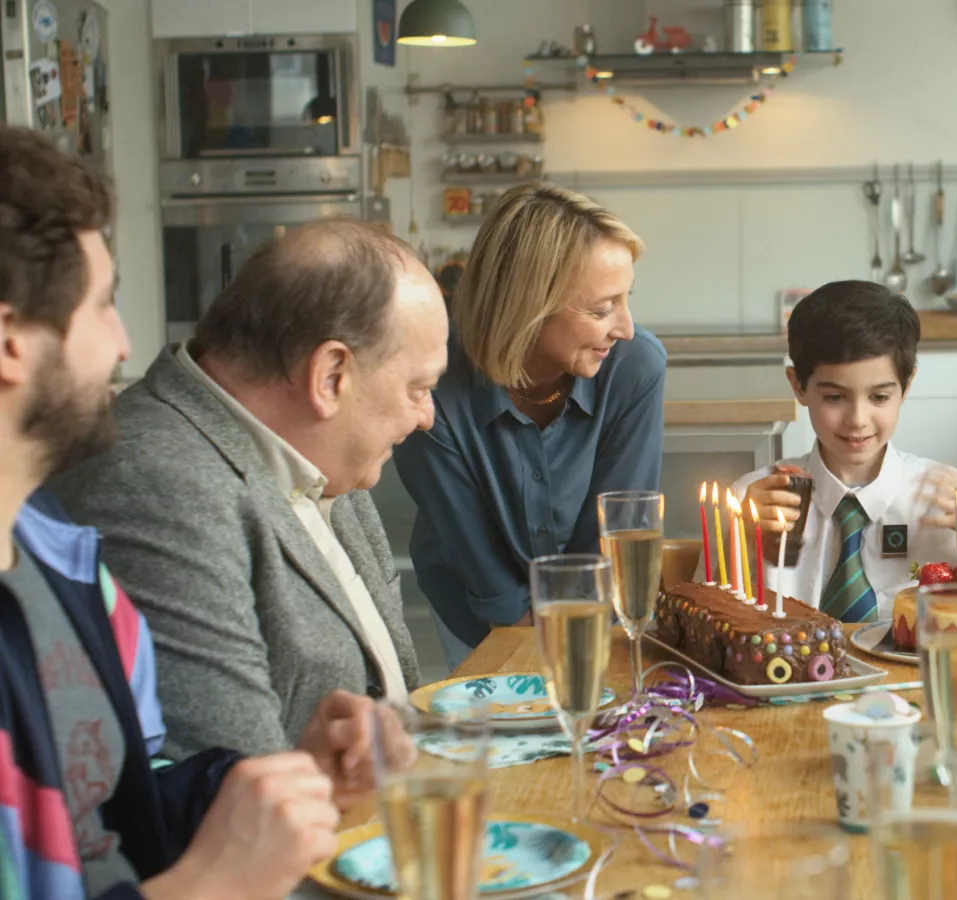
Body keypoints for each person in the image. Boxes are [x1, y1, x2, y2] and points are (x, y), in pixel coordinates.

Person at [0, 125, 385, 900]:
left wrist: (277, 782)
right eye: (102, 305)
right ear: (10, 341)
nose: (124, 343)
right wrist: (211, 885)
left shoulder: (58, 563)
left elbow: (123, 802)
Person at [51, 218, 447, 761]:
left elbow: (395, 686)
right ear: (331, 376)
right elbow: (237, 790)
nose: (428, 416)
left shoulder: (323, 448)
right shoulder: (155, 484)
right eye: (419, 388)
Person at [393, 183, 665, 667]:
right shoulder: (430, 383)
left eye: (625, 300)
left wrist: (583, 639)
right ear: (528, 305)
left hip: (589, 604)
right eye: (602, 308)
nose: (624, 326)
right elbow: (481, 567)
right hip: (474, 600)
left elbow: (615, 530)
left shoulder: (635, 365)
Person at [733, 281, 957, 621]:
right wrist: (736, 539)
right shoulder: (755, 499)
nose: (858, 420)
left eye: (879, 397)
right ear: (798, 386)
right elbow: (703, 622)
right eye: (834, 397)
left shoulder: (948, 497)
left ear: (906, 387)